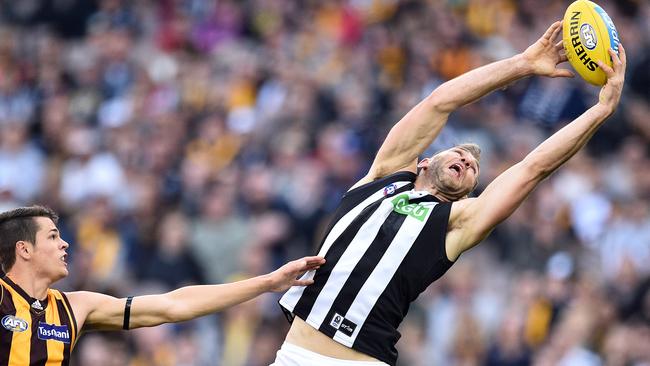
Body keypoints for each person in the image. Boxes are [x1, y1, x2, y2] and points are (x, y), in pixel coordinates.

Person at [275, 21, 626, 366]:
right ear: (424, 162)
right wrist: (522, 64)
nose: (468, 160)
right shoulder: (383, 177)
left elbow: (533, 169)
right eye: (460, 152)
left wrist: (601, 110)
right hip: (292, 354)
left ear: (467, 193)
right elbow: (440, 102)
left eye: (473, 167)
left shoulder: (455, 222)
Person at [0, 205, 325, 365]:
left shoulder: (75, 306)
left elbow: (175, 305)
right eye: (53, 237)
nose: (65, 244)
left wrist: (267, 282)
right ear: (24, 249)